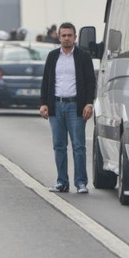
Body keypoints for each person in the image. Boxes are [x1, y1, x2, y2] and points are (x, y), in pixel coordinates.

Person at [39, 22, 96, 194]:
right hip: (56, 106)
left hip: (75, 107)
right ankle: (62, 182)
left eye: (69, 35)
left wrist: (89, 103)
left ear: (75, 37)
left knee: (78, 146)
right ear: (58, 36)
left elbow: (90, 82)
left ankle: (81, 183)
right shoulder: (52, 56)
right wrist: (43, 103)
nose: (66, 38)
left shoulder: (83, 57)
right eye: (63, 35)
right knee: (59, 145)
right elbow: (46, 81)